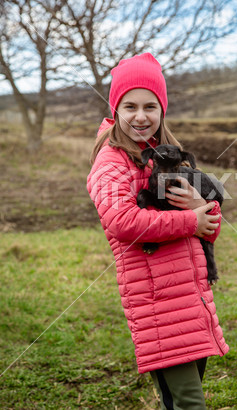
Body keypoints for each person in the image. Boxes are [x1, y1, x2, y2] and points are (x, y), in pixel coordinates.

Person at [86, 53, 229, 409]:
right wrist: (191, 220)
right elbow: (122, 222)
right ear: (115, 109)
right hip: (158, 301)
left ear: (162, 110)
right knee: (189, 403)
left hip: (189, 295)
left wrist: (202, 209)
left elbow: (206, 226)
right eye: (129, 105)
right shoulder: (113, 161)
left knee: (182, 399)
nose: (140, 116)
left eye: (150, 106)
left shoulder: (163, 154)